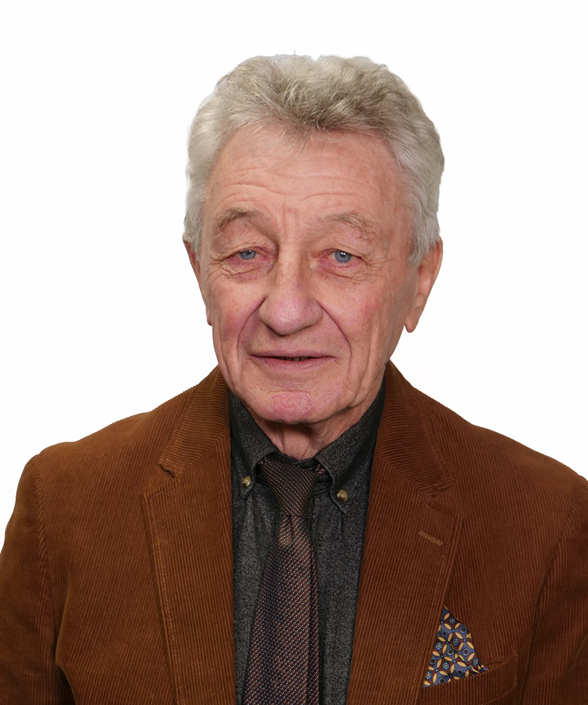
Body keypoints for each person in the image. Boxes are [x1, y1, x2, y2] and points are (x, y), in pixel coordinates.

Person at [1, 55, 586, 705]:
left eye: (341, 255)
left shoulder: (546, 524)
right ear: (200, 271)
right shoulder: (66, 508)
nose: (285, 310)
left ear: (419, 280)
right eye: (247, 251)